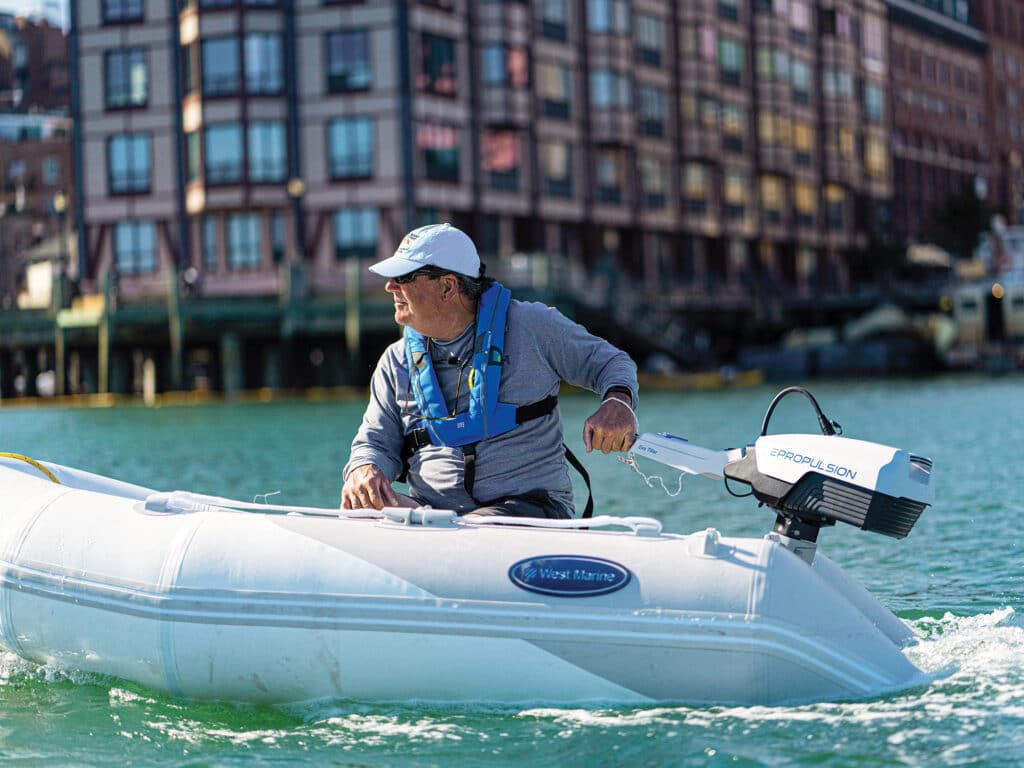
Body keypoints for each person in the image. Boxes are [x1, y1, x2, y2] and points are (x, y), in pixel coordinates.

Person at [341, 223, 638, 519]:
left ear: (447, 286)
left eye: (403, 277)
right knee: (361, 512)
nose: (389, 286)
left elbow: (612, 363)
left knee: (473, 528)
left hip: (530, 507)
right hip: (432, 516)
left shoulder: (533, 326)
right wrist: (364, 469)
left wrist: (617, 402)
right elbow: (375, 442)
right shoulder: (395, 362)